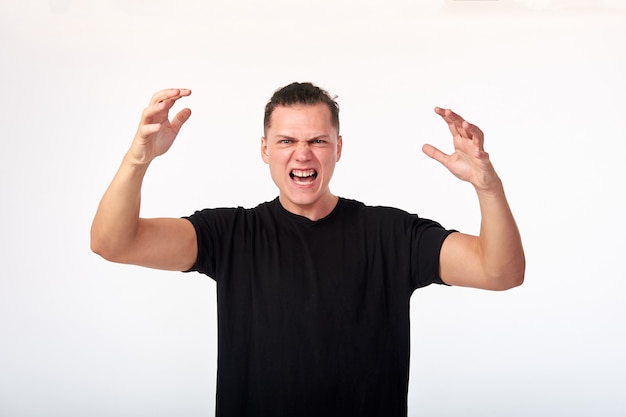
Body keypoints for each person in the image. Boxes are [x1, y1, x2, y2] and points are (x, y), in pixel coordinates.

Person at [91, 82, 525, 417]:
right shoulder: (231, 234)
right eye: (285, 141)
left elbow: (500, 272)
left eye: (317, 141)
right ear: (265, 150)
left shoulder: (392, 234)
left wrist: (488, 185)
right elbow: (113, 243)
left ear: (338, 148)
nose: (302, 154)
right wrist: (138, 159)